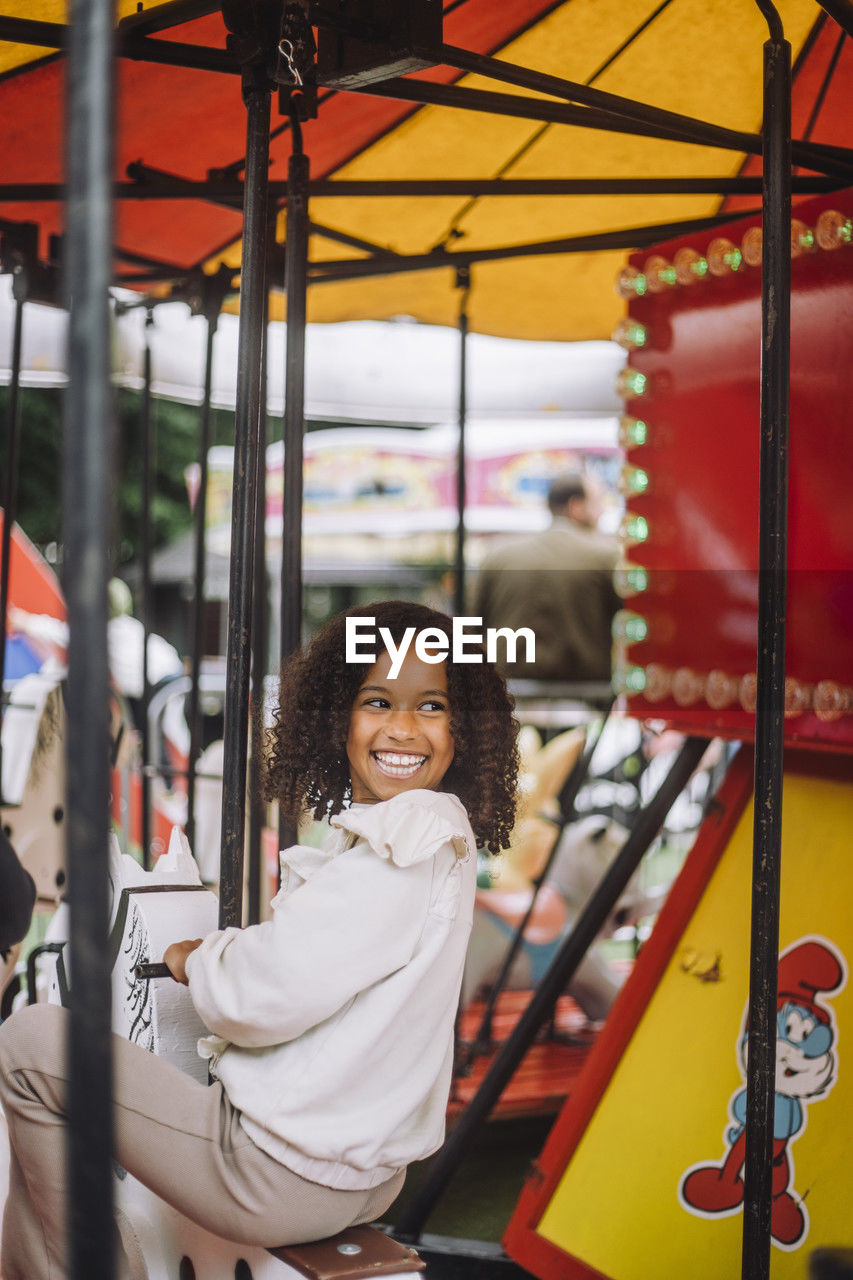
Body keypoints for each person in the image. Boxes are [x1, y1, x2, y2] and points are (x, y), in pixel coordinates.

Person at [0, 600, 518, 1278]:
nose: (401, 728)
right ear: (337, 716)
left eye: (430, 707)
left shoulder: (399, 846)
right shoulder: (433, 838)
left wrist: (199, 957)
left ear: (464, 731)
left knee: (32, 1043)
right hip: (364, 1171)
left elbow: (261, 996)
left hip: (280, 1174)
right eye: (378, 701)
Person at [473, 471, 620, 684]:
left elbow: (471, 630)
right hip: (585, 699)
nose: (603, 511)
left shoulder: (498, 558)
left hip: (505, 698)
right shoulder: (606, 559)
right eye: (599, 503)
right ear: (576, 507)